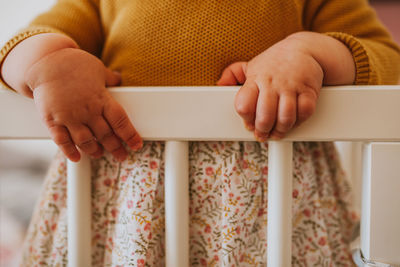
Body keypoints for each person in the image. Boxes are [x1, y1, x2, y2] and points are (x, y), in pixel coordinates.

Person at [1, 0, 399, 265]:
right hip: (119, 209)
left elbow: (387, 60)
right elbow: (17, 50)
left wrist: (310, 52)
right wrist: (47, 61)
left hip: (275, 206)